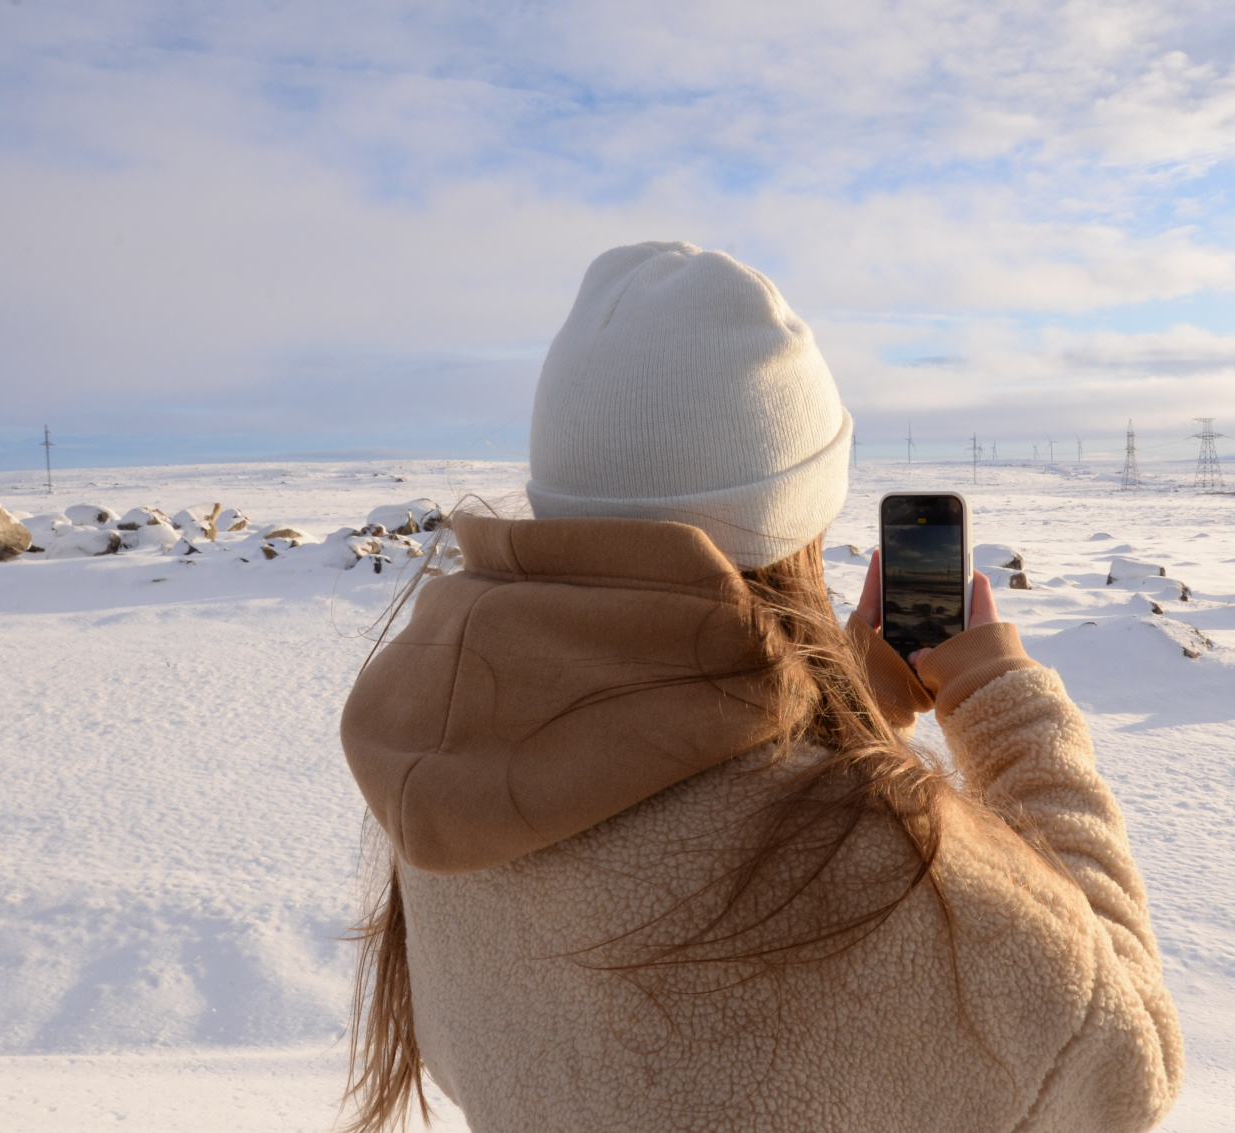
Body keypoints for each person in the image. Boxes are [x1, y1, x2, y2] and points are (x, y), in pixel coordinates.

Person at [339, 241, 1182, 1133]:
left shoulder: (449, 770)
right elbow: (1121, 1056)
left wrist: (841, 714)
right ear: (800, 528)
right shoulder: (898, 882)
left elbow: (653, 781)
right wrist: (1003, 699)